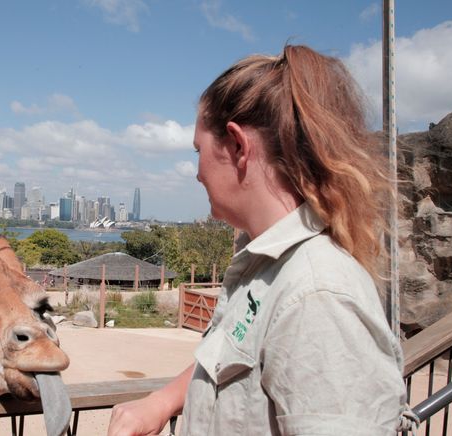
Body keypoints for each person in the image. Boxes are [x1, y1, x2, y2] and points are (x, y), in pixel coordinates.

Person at [108, 45, 407, 435]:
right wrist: (161, 402)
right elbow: (236, 353)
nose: (196, 173)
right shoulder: (268, 269)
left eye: (199, 150)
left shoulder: (317, 295)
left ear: (236, 146)